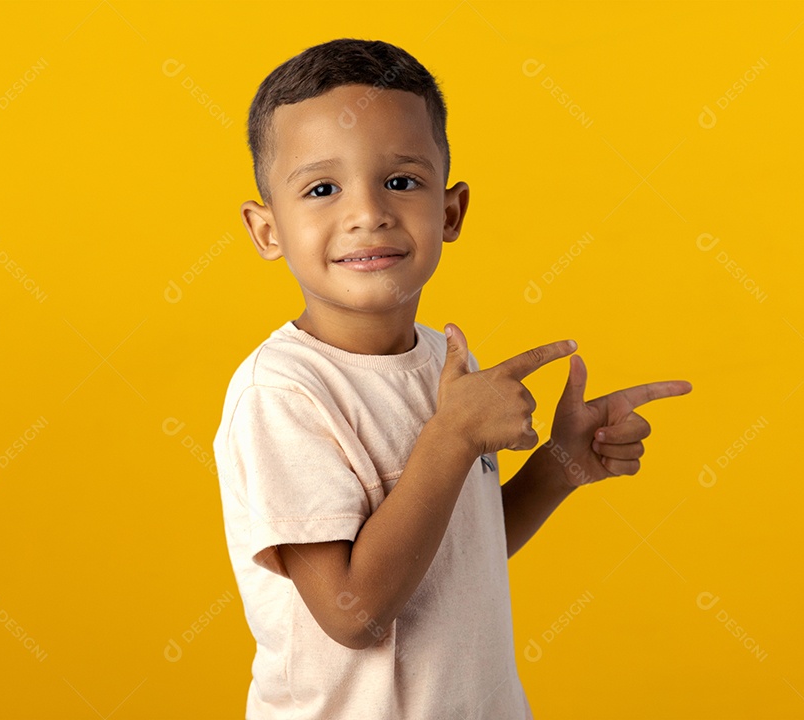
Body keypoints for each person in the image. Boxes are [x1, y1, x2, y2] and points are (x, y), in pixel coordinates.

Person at [212, 37, 693, 719]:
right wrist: (451, 439)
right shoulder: (282, 393)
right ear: (267, 231)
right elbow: (354, 615)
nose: (368, 212)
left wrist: (558, 467)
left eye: (401, 181)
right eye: (322, 189)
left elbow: (457, 549)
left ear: (450, 211)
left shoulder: (445, 364)